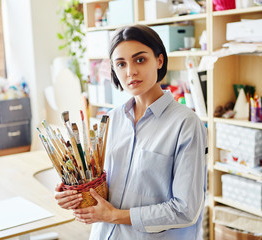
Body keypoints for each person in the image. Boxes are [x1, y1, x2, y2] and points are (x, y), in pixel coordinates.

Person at [55, 24, 207, 240]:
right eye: (121, 64)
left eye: (140, 59)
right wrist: (72, 192)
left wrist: (115, 215)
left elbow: (185, 210)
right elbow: (101, 182)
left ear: (159, 60)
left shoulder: (186, 124)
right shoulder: (111, 119)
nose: (130, 72)